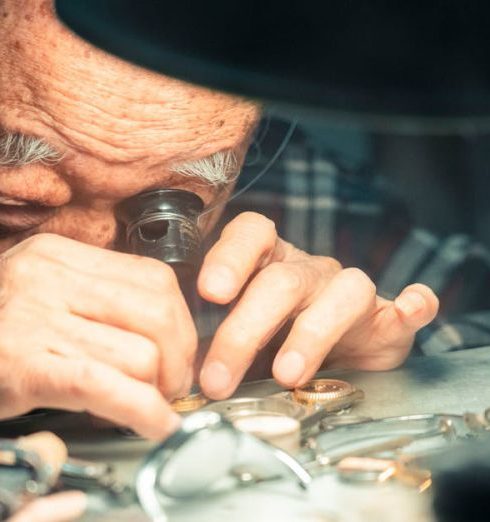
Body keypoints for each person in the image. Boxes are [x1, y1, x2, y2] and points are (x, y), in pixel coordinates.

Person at [0, 0, 438, 441]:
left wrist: (373, 374)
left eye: (166, 214)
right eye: (15, 207)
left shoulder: (305, 198)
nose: (91, 262)